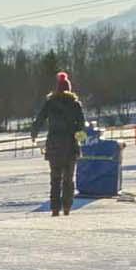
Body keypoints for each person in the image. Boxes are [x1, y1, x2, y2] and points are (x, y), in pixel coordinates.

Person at [31, 72, 85, 216]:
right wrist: (81, 140)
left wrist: (34, 133)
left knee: (55, 179)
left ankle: (55, 209)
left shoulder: (50, 103)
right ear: (69, 89)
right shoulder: (75, 104)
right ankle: (67, 208)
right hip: (70, 146)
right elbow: (81, 125)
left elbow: (39, 119)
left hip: (54, 145)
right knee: (68, 179)